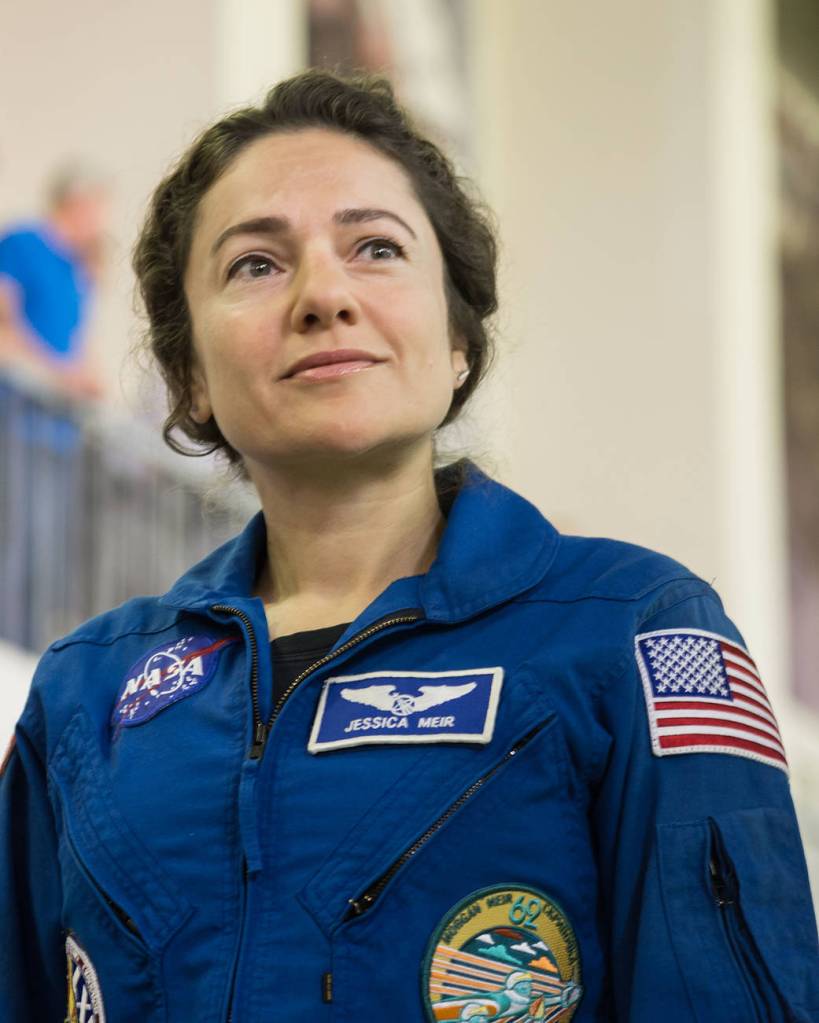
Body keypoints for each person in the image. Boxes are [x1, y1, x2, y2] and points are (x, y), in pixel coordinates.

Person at [1, 69, 817, 1022]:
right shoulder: (85, 694)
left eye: (376, 247)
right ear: (188, 377)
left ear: (458, 342)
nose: (323, 294)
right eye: (255, 264)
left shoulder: (634, 632)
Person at [0, 163, 107, 399]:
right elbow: (5, 327)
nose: (100, 223)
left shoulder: (77, 266)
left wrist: (87, 375)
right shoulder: (21, 243)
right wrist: (56, 374)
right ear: (77, 204)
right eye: (97, 210)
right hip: (16, 400)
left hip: (58, 409)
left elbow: (77, 340)